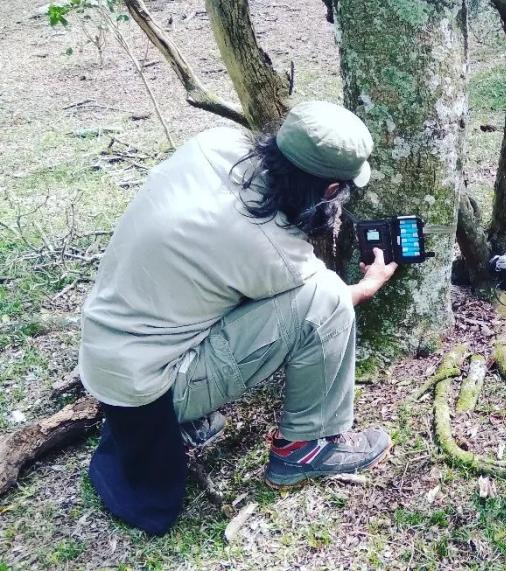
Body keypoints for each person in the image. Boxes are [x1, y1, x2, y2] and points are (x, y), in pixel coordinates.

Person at [79, 101, 397, 535]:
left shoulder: (215, 143)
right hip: (150, 393)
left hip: (106, 359)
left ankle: (187, 420)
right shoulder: (271, 250)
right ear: (329, 191)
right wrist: (366, 286)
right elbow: (324, 298)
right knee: (325, 299)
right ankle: (308, 446)